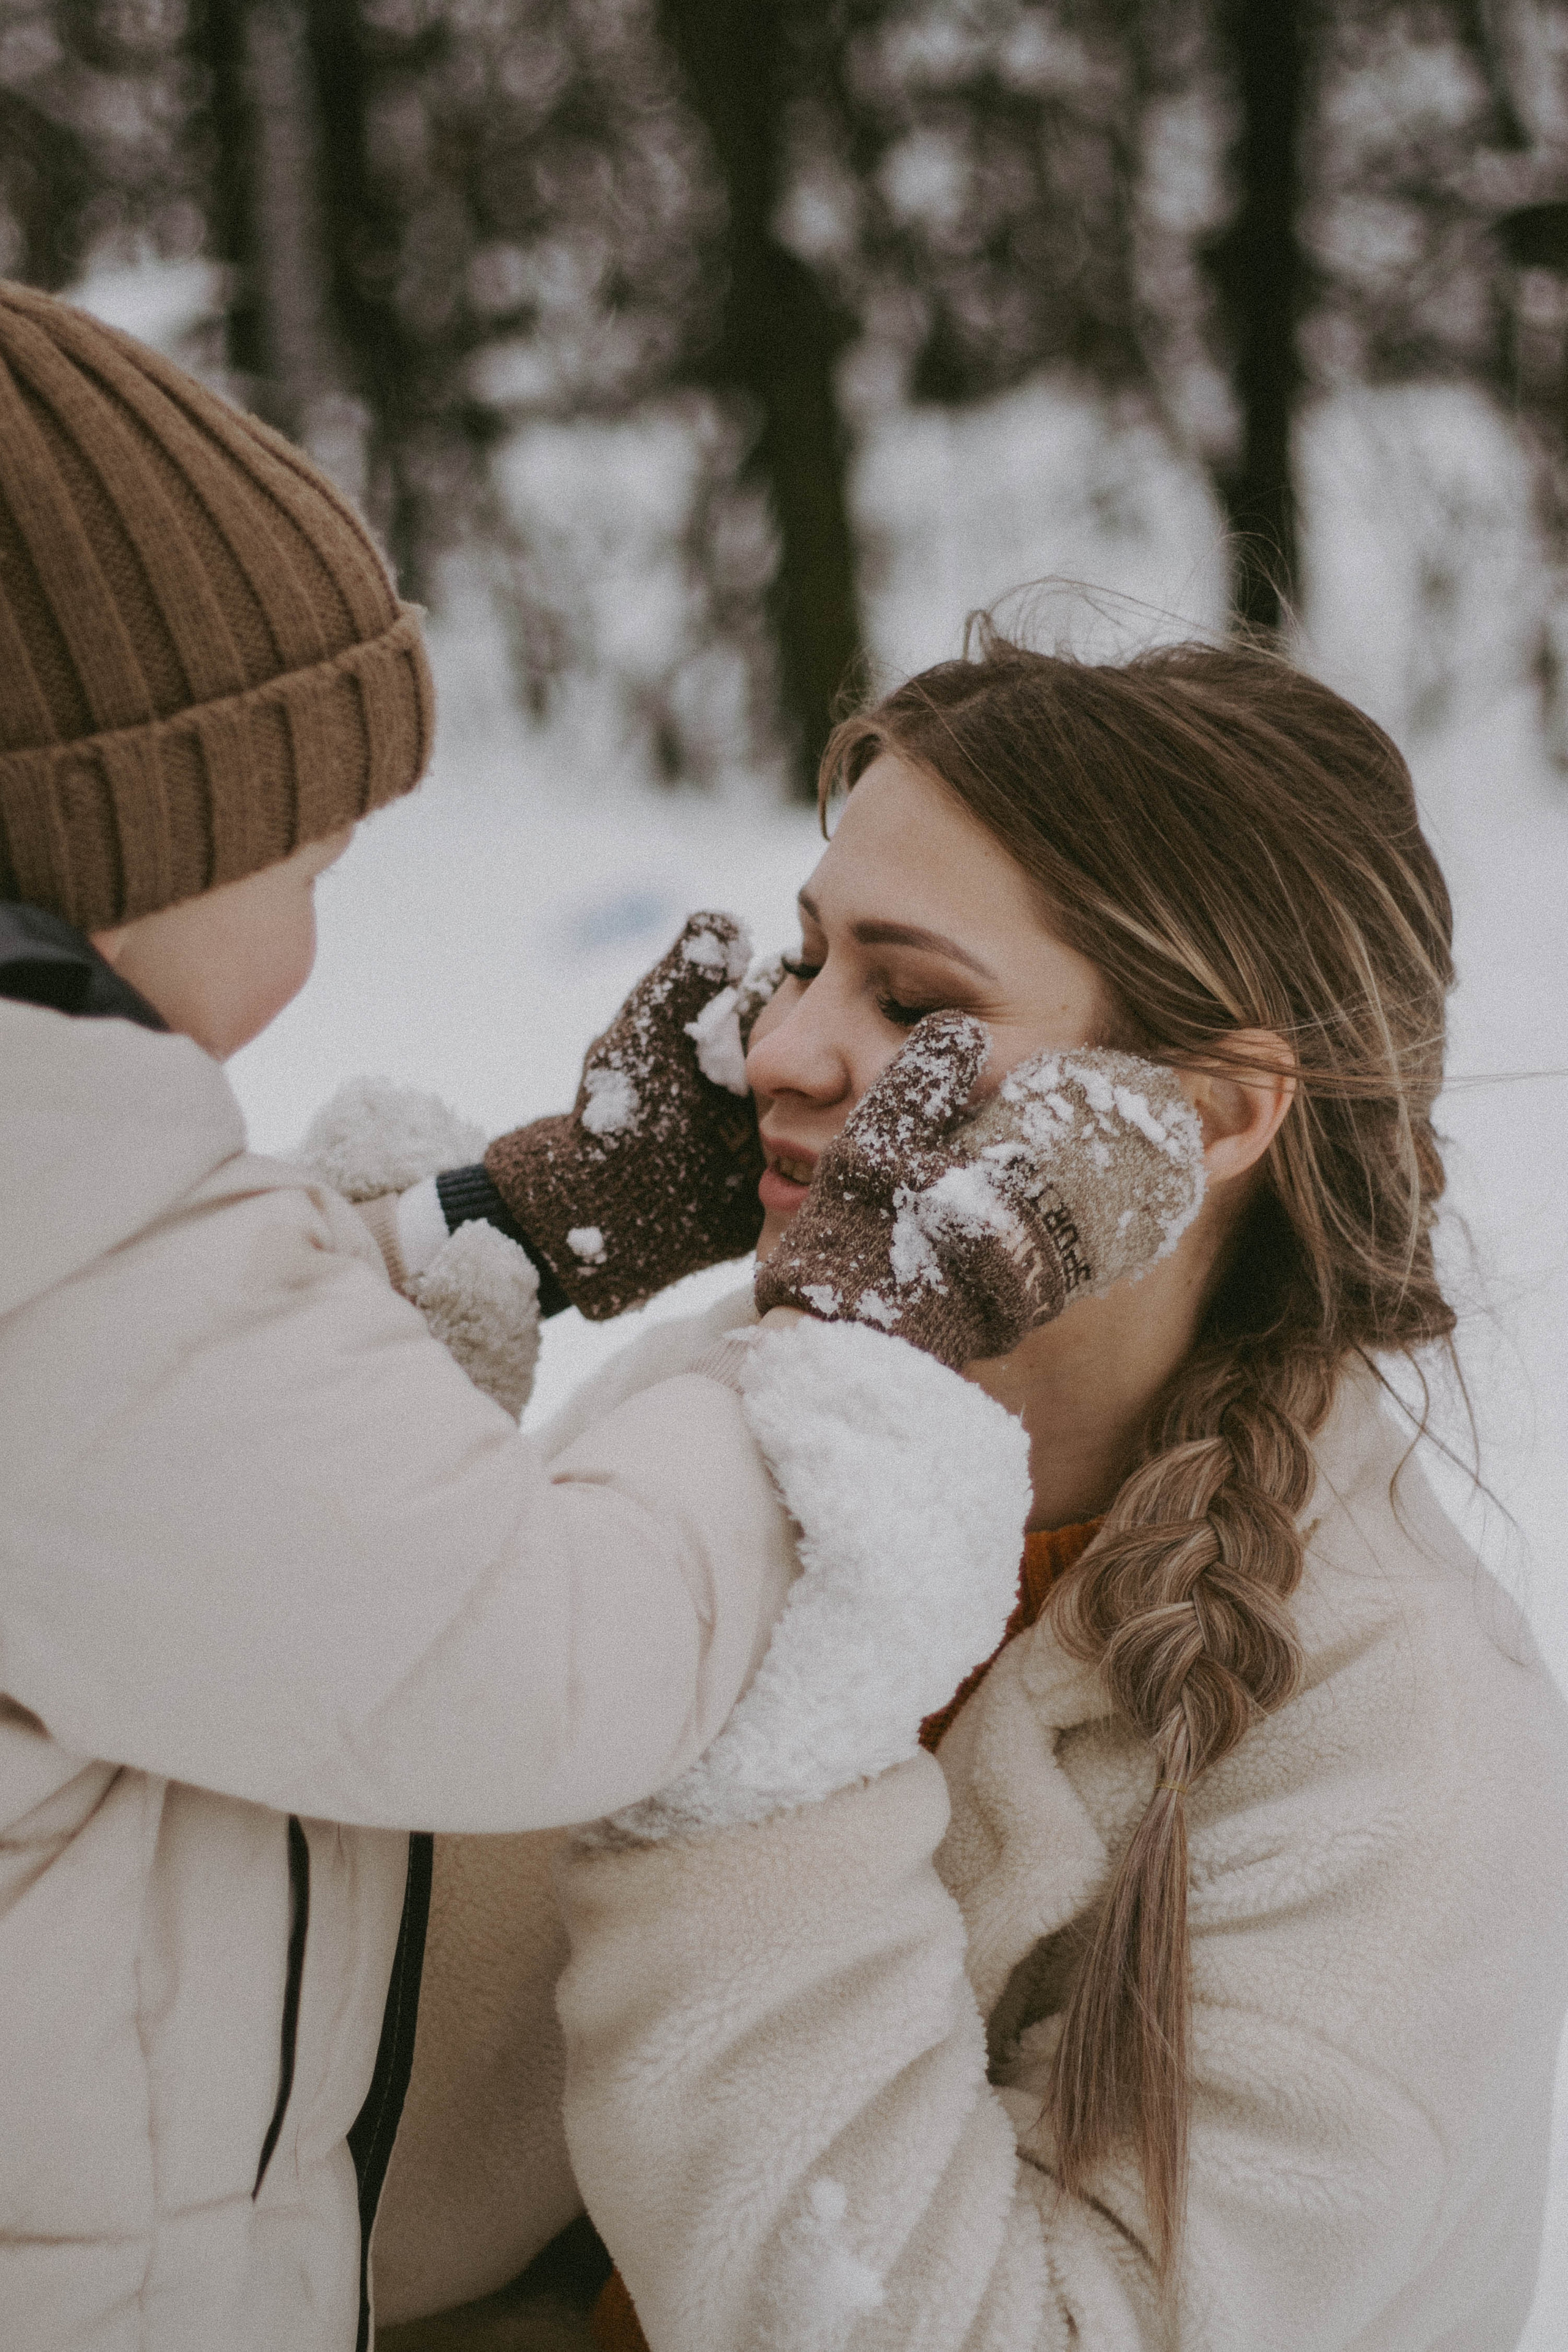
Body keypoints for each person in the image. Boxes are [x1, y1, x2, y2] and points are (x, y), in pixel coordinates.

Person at [0, 285, 1133, 2352]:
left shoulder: (58, 1233)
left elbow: (203, 1469)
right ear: (119, 845)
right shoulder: (48, 1238)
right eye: (312, 855)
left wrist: (491, 1233)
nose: (789, 1049)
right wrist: (854, 1357)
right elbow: (541, 1659)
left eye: (917, 1004)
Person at [403, 633, 1568, 2350]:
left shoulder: (1400, 1750)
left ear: (1211, 1114)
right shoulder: (723, 1408)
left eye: (917, 1003)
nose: (784, 1051)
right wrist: (490, 1247)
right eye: (804, 962)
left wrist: (794, 1709)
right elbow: (263, 1922)